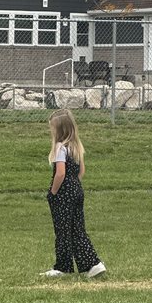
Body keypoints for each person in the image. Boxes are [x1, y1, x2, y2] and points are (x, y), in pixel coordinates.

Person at [43, 109, 106, 279]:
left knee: (63, 230)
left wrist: (53, 192)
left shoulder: (60, 147)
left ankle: (63, 266)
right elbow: (81, 171)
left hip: (64, 193)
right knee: (77, 229)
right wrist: (74, 185)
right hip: (77, 189)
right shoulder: (76, 147)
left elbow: (60, 173)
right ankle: (93, 263)